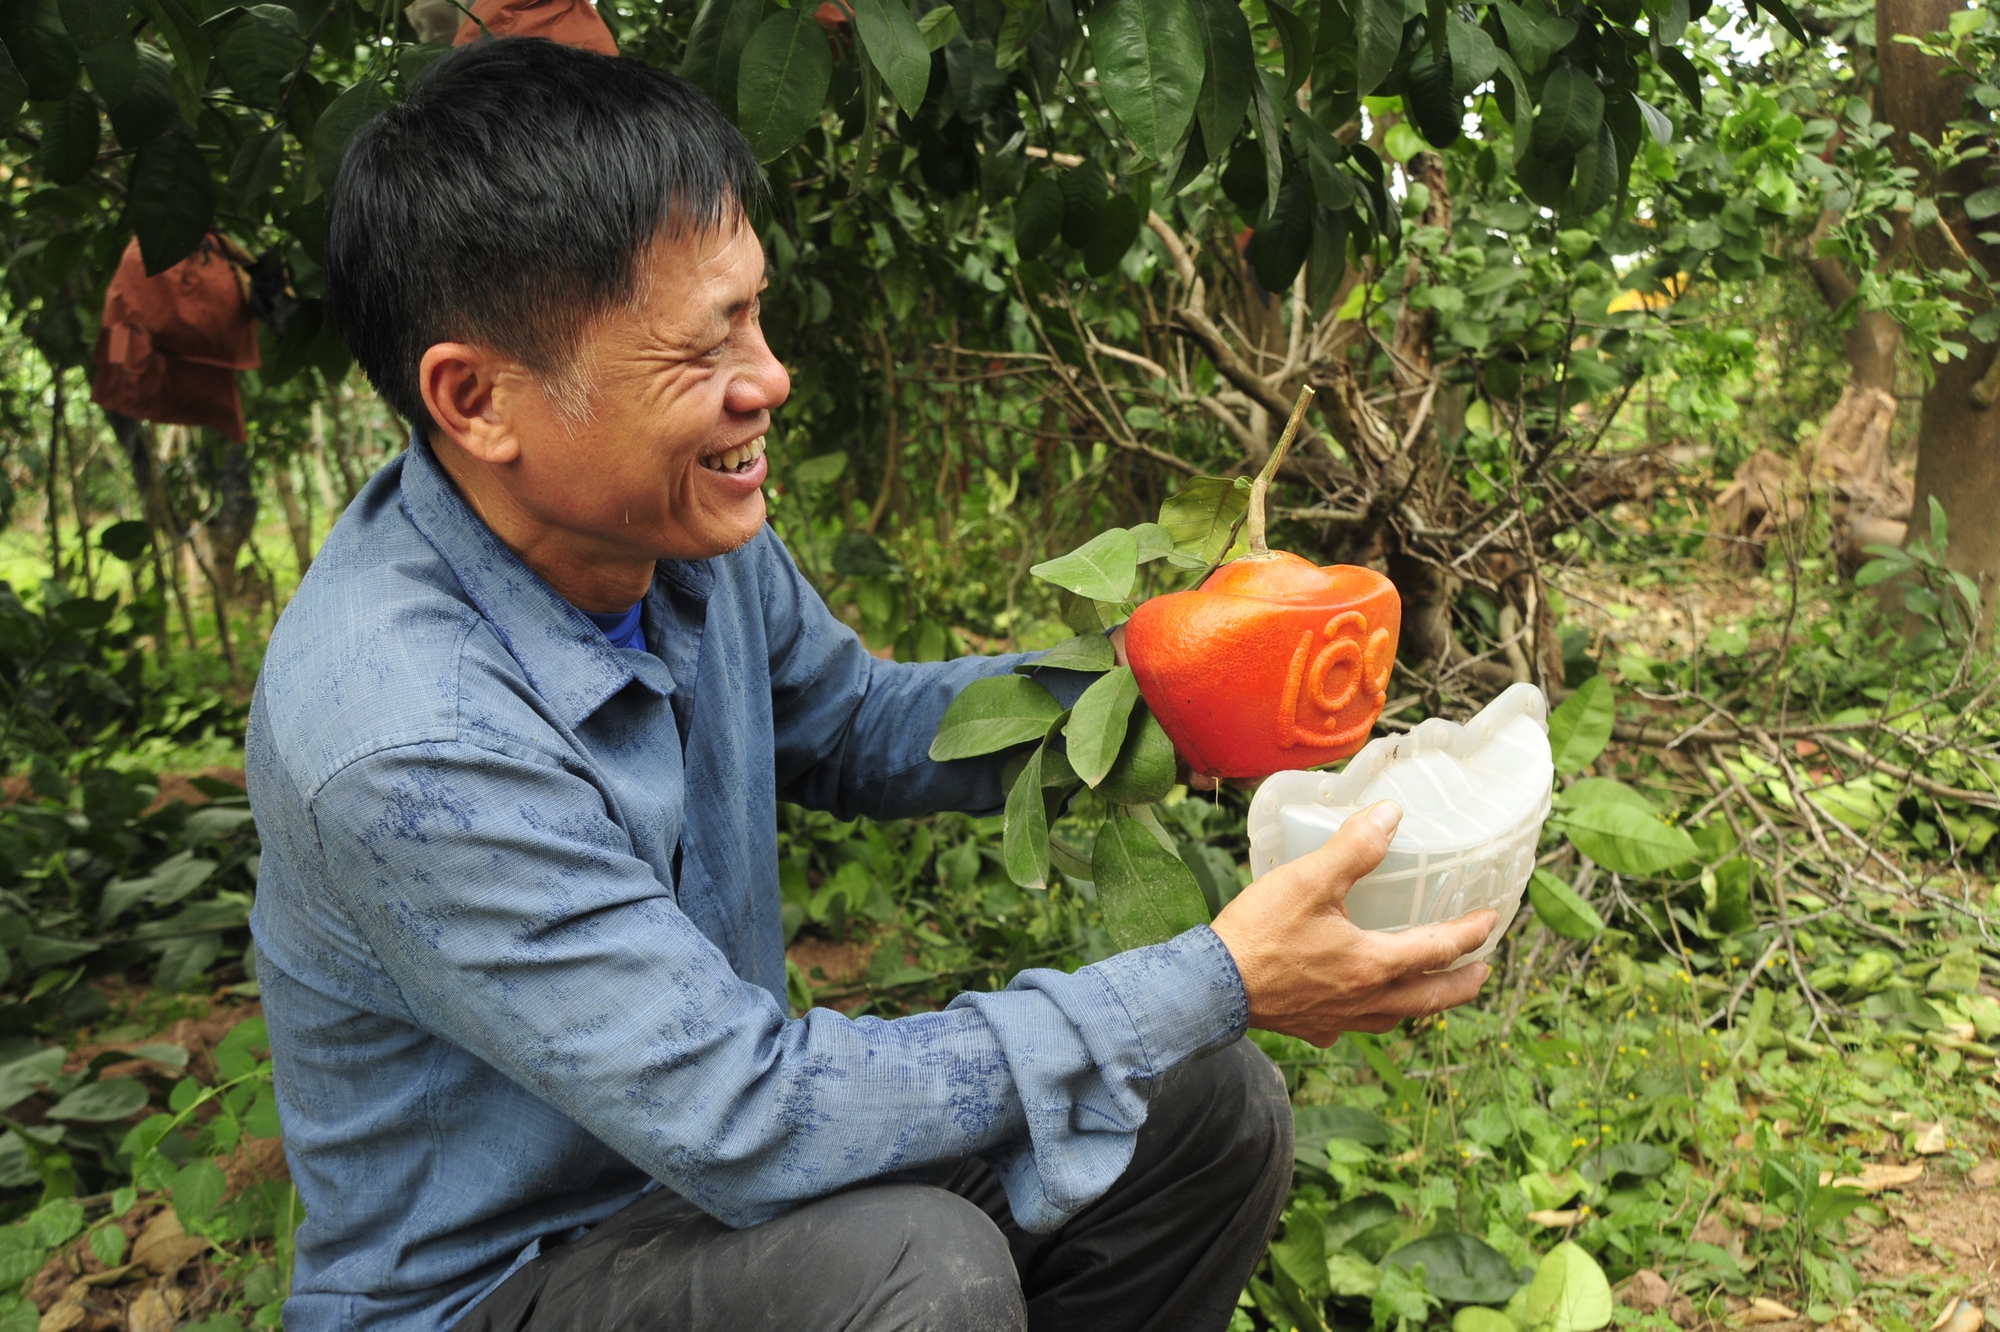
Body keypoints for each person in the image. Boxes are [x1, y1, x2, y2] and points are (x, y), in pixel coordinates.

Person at [244, 36, 1497, 1332]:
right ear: (477, 400)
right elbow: (753, 1113)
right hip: (502, 1283)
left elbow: (848, 722)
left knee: (1204, 1110)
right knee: (916, 1272)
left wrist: (1160, 695)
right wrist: (1221, 971)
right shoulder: (405, 739)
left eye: (756, 313)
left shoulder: (670, 536)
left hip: (696, 1185)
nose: (770, 379)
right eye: (702, 349)